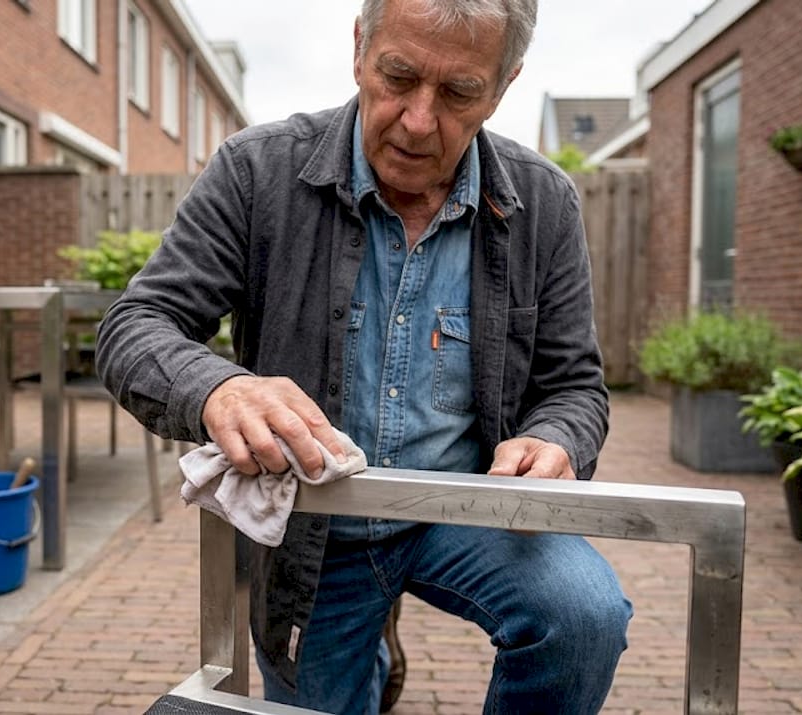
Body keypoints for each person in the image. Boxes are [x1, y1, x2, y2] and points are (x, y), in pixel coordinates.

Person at [95, 0, 633, 712]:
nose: (417, 120)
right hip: (316, 531)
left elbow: (574, 386)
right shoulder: (256, 172)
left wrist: (555, 437)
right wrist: (218, 388)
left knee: (584, 615)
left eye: (458, 94)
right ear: (360, 48)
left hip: (466, 511)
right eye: (398, 77)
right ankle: (374, 644)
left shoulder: (545, 202)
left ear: (502, 88)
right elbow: (136, 323)